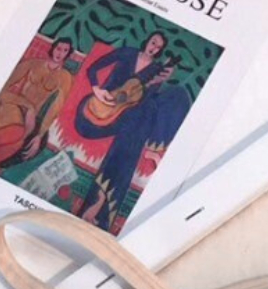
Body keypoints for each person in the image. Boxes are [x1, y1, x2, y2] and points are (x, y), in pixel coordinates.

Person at [74, 56, 192, 234]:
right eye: (153, 43)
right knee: (144, 112)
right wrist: (97, 88)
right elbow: (95, 70)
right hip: (99, 114)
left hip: (130, 118)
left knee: (171, 99)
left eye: (158, 47)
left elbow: (140, 96)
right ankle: (100, 210)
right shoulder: (129, 56)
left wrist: (158, 81)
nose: (154, 48)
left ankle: (100, 211)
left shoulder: (151, 79)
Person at [0, 38, 74, 170]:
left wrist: (40, 135)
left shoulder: (65, 77)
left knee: (22, 140)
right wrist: (28, 106)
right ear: (53, 48)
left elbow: (55, 109)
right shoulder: (33, 64)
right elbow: (1, 89)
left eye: (65, 50)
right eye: (58, 48)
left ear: (68, 54)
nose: (60, 53)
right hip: (15, 106)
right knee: (16, 132)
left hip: (34, 119)